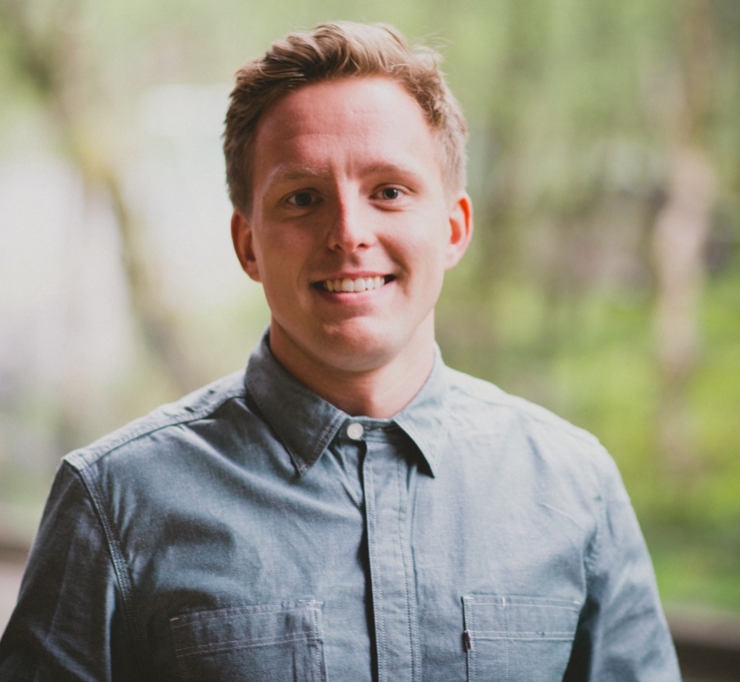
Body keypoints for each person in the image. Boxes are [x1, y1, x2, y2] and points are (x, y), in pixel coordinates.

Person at [0, 21, 681, 681]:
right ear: (247, 245)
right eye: (303, 198)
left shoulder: (575, 488)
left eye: (389, 191)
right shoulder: (113, 500)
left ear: (453, 229)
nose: (349, 232)